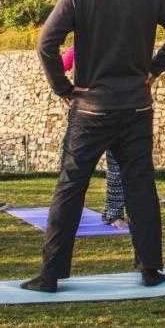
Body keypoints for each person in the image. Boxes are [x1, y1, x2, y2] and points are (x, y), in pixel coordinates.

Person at [22, 0, 165, 292]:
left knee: (71, 186)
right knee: (140, 186)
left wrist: (63, 89)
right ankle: (150, 268)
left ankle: (51, 274)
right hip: (135, 107)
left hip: (91, 110)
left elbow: (45, 45)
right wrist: (154, 69)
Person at [63, 45, 128, 229]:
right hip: (86, 112)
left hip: (115, 109)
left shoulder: (119, 44)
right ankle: (66, 215)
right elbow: (60, 64)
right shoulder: (76, 49)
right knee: (75, 168)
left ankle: (113, 213)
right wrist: (66, 89)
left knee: (116, 166)